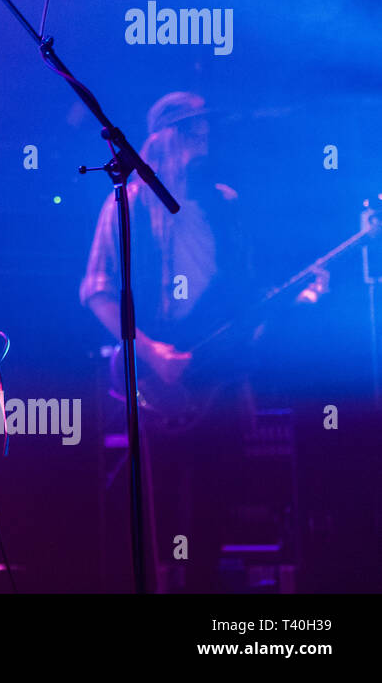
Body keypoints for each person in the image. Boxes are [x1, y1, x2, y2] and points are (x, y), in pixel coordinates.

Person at [80, 91, 259, 591]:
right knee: (156, 504)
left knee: (217, 498)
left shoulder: (225, 201)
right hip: (160, 373)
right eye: (190, 131)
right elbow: (96, 289)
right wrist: (149, 349)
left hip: (219, 372)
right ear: (162, 137)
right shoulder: (131, 200)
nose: (202, 141)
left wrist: (277, 311)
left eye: (205, 131)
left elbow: (246, 288)